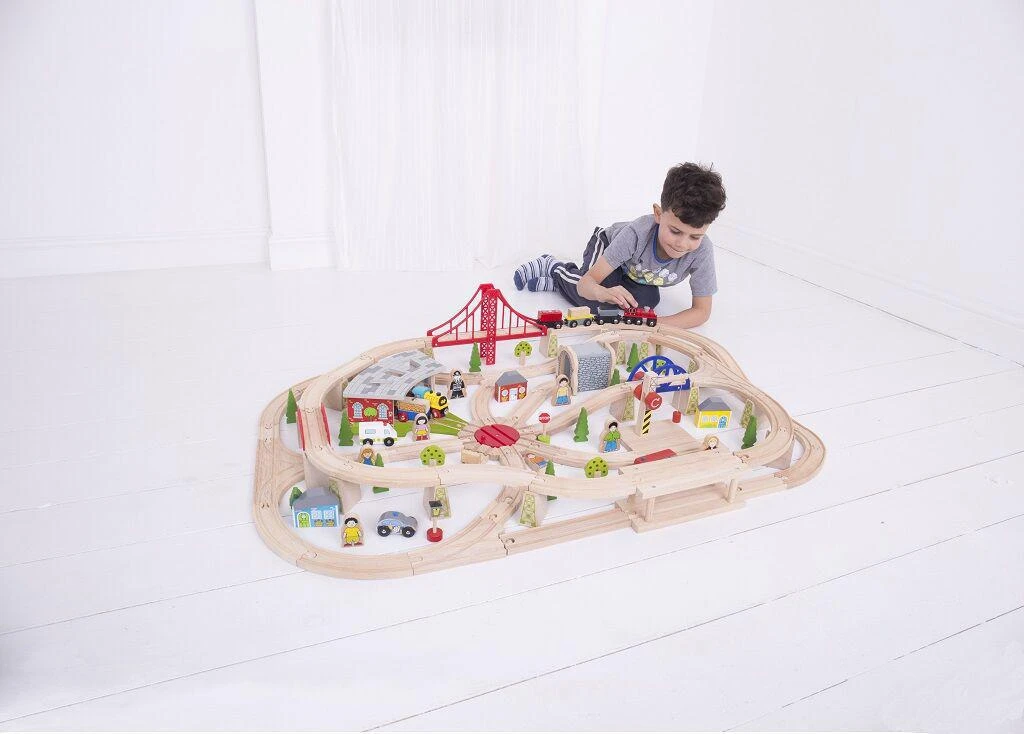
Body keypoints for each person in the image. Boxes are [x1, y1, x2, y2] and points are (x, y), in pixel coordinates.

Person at [513, 162, 725, 329]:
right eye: (675, 231)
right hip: (607, 244)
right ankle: (555, 269)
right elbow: (588, 283)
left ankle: (560, 284)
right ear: (658, 214)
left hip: (633, 274)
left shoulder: (703, 251)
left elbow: (701, 311)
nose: (682, 244)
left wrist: (655, 325)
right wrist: (601, 293)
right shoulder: (636, 234)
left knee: (644, 304)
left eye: (695, 237)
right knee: (596, 303)